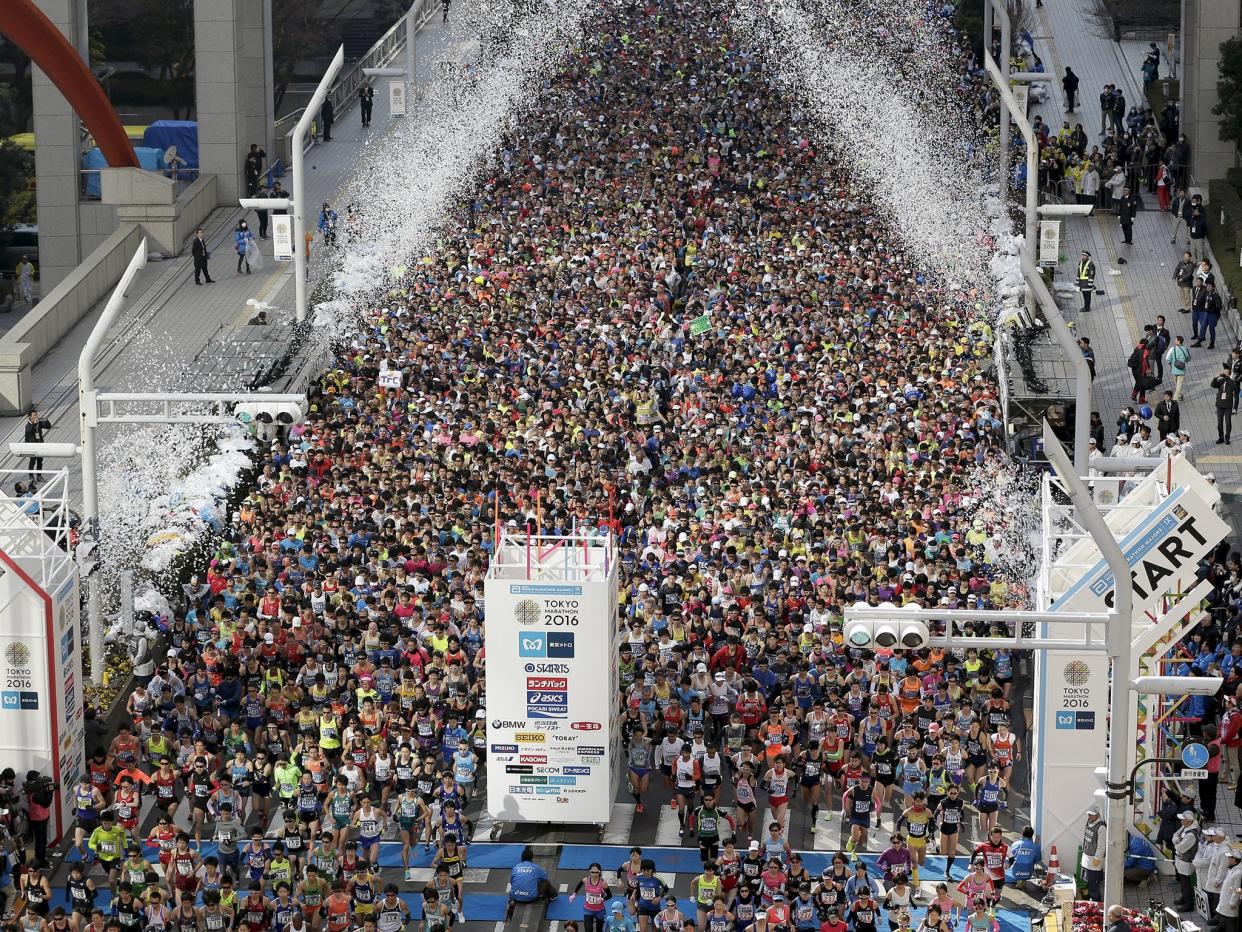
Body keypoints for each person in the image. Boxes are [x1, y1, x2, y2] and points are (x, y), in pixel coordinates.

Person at [505, 846, 557, 921]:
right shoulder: (536, 867)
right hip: (530, 897)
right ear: (532, 858)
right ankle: (553, 895)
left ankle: (512, 901)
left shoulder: (516, 867)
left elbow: (511, 882)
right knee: (546, 882)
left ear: (521, 858)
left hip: (516, 895)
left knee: (514, 886)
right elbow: (545, 877)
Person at [1174, 810, 1202, 911]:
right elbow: (1175, 835)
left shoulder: (1191, 834)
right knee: (1182, 882)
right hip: (1180, 859)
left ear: (1188, 821)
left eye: (1183, 819)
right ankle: (1184, 898)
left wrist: (1176, 843)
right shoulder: (1185, 827)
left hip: (1186, 862)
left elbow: (1181, 848)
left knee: (1186, 884)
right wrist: (1177, 841)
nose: (1181, 820)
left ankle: (1188, 904)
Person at [1081, 805, 1105, 901]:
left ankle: (1095, 902)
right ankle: (1091, 900)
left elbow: (1101, 846)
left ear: (1098, 815)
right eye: (1089, 814)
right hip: (1086, 858)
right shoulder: (1089, 823)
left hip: (1094, 861)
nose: (1089, 816)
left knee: (1094, 885)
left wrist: (1097, 858)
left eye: (1091, 815)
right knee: (1089, 882)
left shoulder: (1101, 827)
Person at [1213, 364, 1238, 445]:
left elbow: (1235, 388)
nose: (1224, 374)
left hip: (1228, 406)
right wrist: (1215, 377)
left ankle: (1227, 438)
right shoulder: (1221, 381)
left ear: (1229, 374)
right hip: (1220, 405)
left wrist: (1226, 377)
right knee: (1219, 423)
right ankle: (1221, 437)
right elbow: (1213, 385)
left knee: (1228, 423)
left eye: (1226, 373)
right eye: (1224, 372)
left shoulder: (1231, 382)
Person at [23, 408, 50, 485]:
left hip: (39, 444)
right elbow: (29, 431)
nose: (36, 416)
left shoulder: (39, 423)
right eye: (34, 415)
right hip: (32, 446)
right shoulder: (28, 425)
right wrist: (34, 424)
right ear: (30, 417)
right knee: (32, 461)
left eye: (36, 415)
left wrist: (46, 420)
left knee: (40, 461)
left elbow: (48, 427)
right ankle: (31, 477)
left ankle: (39, 476)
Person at [1117, 186, 1139, 252]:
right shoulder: (1122, 198)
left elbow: (1134, 208)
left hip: (1129, 216)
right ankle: (1126, 239)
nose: (1125, 192)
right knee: (1124, 228)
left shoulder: (1132, 199)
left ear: (1129, 191)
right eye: (1124, 190)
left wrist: (1133, 216)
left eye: (1127, 190)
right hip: (1123, 216)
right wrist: (1119, 214)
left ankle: (1130, 240)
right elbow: (1120, 207)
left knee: (1129, 229)